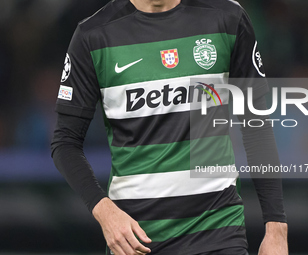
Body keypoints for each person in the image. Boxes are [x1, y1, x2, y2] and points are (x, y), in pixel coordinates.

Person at [51, 0, 288, 254]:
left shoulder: (227, 18)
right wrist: (105, 211)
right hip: (136, 241)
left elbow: (256, 126)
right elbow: (65, 143)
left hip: (218, 234)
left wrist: (276, 229)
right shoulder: (94, 35)